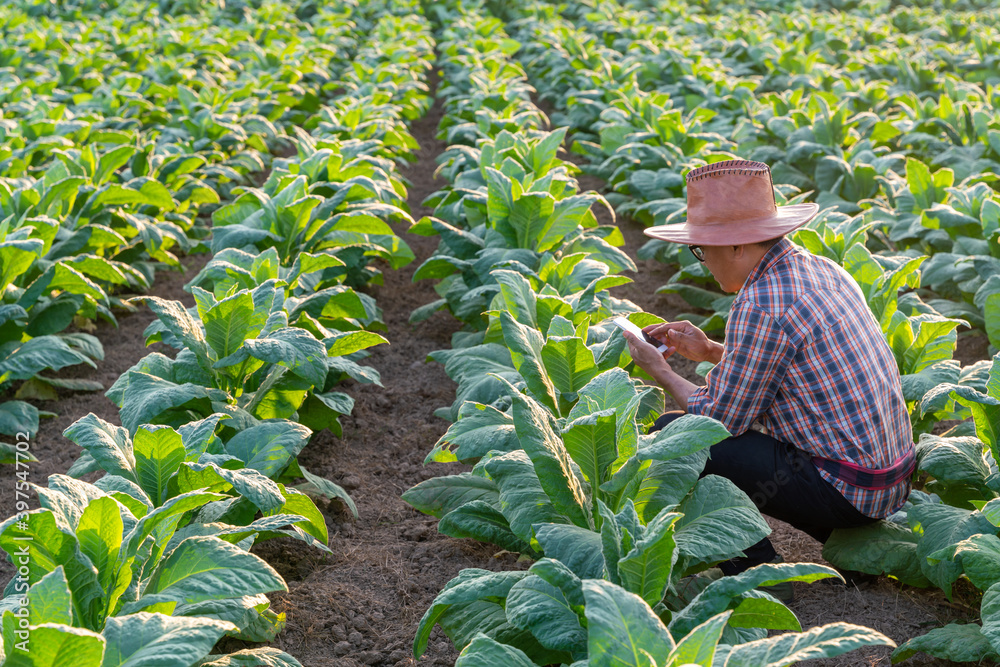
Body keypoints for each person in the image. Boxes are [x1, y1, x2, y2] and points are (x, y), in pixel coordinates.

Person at [622, 159, 914, 593]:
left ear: (738, 245)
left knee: (676, 435)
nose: (703, 262)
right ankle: (853, 551)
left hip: (847, 489)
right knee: (699, 435)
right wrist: (708, 351)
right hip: (888, 480)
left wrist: (659, 368)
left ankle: (757, 574)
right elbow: (794, 367)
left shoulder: (760, 302)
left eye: (703, 249)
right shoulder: (820, 269)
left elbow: (718, 420)